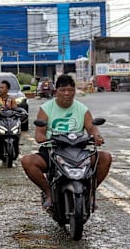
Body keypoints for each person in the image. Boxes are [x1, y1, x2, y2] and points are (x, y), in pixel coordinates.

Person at [21, 74, 112, 211]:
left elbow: (91, 128)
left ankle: (91, 193)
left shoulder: (82, 108)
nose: (66, 93)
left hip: (79, 151)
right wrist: (41, 137)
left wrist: (97, 136)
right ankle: (49, 193)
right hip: (53, 151)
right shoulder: (46, 108)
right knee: (28, 161)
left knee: (105, 158)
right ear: (56, 91)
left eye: (70, 90)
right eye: (63, 90)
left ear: (74, 91)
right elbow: (39, 131)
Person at [0, 80, 17, 155]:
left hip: (10, 120)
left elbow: (15, 109)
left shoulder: (11, 99)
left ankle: (16, 145)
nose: (0, 89)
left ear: (7, 89)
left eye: (2, 87)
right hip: (0, 119)